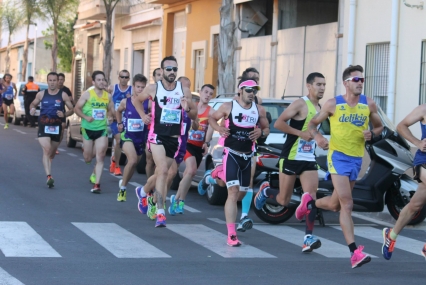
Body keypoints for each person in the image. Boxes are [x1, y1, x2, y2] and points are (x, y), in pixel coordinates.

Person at [297, 65, 383, 268]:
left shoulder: (368, 104)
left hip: (356, 159)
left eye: (362, 79)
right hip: (337, 158)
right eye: (356, 80)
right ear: (346, 83)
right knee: (347, 203)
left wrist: (373, 133)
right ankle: (354, 253)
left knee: (335, 204)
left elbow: (379, 127)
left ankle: (310, 203)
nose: (360, 82)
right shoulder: (333, 104)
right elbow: (312, 124)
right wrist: (317, 137)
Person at [254, 72, 326, 252]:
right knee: (283, 200)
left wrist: (320, 140)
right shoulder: (301, 103)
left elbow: (313, 130)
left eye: (324, 85)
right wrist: (300, 134)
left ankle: (308, 238)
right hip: (291, 156)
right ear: (309, 86)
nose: (322, 88)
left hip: (308, 158)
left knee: (310, 198)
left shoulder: (321, 107)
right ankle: (266, 191)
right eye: (318, 84)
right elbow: (278, 123)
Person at [201, 78, 269, 246]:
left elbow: (266, 128)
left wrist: (260, 132)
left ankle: (214, 175)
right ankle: (231, 234)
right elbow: (211, 118)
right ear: (240, 91)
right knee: (232, 193)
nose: (252, 93)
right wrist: (219, 129)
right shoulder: (228, 106)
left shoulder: (259, 110)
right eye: (248, 90)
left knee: (241, 193)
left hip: (248, 156)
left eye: (254, 90)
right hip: (231, 153)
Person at [133, 55, 197, 228]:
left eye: (175, 69)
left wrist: (187, 108)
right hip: (157, 135)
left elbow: (194, 114)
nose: (172, 72)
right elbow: (135, 100)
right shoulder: (154, 88)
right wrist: (142, 115)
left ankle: (143, 191)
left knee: (165, 172)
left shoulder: (183, 89)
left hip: (174, 138)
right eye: (169, 69)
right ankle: (160, 212)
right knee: (161, 170)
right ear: (161, 71)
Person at [381, 104, 426, 260]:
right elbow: (401, 126)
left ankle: (391, 235)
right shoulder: (424, 109)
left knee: (415, 206)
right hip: (424, 161)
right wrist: (418, 143)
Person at [169, 84, 215, 215]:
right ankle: (180, 200)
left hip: (198, 147)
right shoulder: (191, 106)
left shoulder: (211, 111)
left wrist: (207, 142)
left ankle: (177, 199)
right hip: (186, 143)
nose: (207, 95)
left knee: (190, 174)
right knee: (191, 169)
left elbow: (211, 127)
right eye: (206, 92)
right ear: (200, 92)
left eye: (210, 93)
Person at [29, 72, 73, 187]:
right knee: (47, 150)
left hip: (56, 127)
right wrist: (32, 110)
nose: (52, 82)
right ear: (47, 81)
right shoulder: (41, 94)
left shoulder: (63, 95)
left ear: (57, 81)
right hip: (43, 125)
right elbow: (32, 104)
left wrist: (64, 114)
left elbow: (72, 109)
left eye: (54, 80)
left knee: (51, 154)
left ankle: (48, 165)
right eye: (50, 80)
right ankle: (49, 176)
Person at [74, 71, 115, 193]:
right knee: (88, 158)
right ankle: (92, 165)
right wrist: (86, 117)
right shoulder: (87, 94)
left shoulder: (108, 96)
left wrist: (111, 116)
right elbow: (76, 108)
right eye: (99, 80)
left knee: (101, 156)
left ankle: (97, 184)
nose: (102, 82)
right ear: (93, 82)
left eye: (103, 79)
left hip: (101, 129)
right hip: (87, 129)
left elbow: (111, 110)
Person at [116, 74, 148, 202]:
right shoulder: (126, 101)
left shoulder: (148, 103)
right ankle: (123, 188)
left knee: (133, 165)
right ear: (133, 87)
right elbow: (118, 111)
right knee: (133, 160)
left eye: (143, 87)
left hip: (140, 138)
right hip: (127, 135)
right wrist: (119, 123)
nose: (140, 89)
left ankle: (124, 182)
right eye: (138, 87)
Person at [108, 70, 132, 176]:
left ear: (129, 79)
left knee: (122, 143)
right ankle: (117, 166)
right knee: (118, 140)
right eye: (122, 77)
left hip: (126, 121)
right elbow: (106, 101)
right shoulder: (112, 88)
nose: (124, 79)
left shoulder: (131, 90)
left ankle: (114, 159)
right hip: (114, 120)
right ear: (118, 77)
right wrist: (109, 114)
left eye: (126, 77)